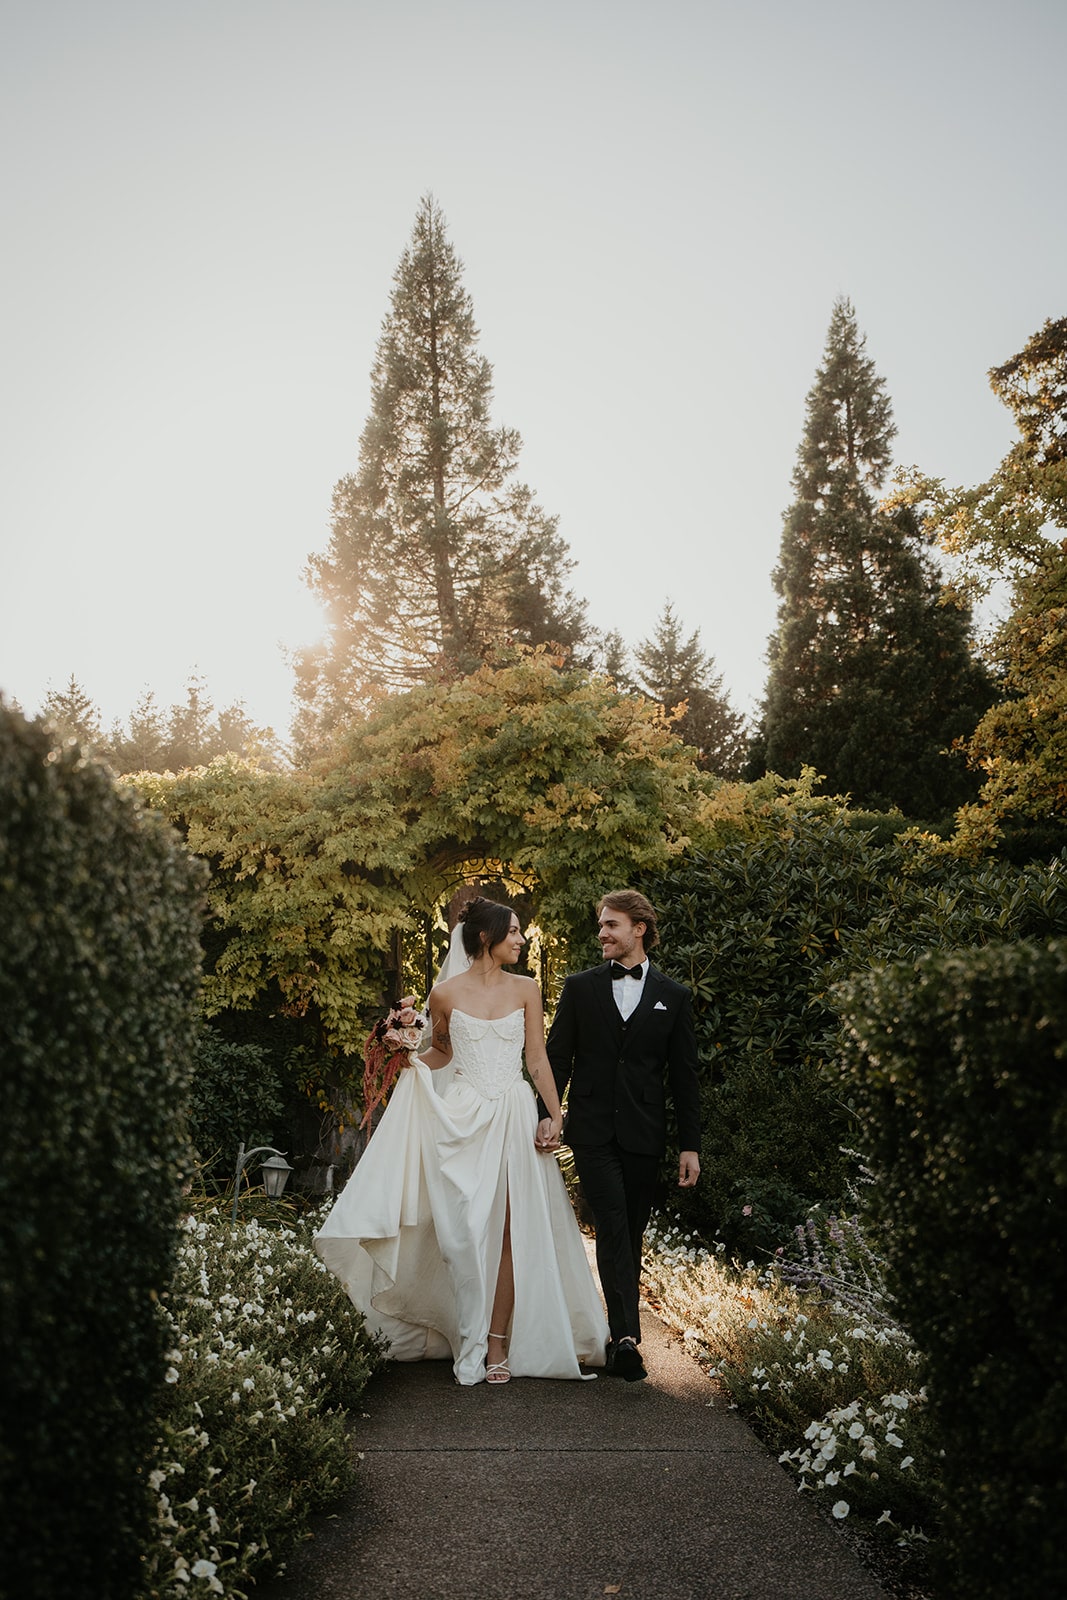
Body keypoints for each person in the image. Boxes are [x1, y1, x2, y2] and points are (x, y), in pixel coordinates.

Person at [314, 897, 608, 1386]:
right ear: (487, 938)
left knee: (512, 1230)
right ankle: (462, 1328)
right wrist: (404, 1054)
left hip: (514, 1113)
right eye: (513, 932)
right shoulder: (444, 993)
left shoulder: (528, 989)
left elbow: (537, 1057)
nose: (521, 939)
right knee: (463, 1232)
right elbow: (442, 1052)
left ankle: (494, 1342)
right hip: (465, 1115)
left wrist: (555, 1115)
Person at [543, 889, 702, 1382]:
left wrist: (689, 1145)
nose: (602, 934)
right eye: (600, 925)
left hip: (643, 1131)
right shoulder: (580, 987)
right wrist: (548, 1113)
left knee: (631, 1232)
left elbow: (684, 1076)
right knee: (612, 1222)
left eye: (611, 925)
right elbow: (556, 1058)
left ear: (639, 928)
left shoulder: (673, 997)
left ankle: (623, 1332)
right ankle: (627, 1338)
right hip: (591, 1129)